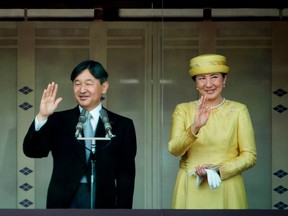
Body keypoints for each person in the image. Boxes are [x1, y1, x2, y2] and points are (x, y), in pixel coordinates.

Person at [23, 60, 137, 209]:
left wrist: (124, 211)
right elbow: (33, 151)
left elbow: (125, 175)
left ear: (104, 87)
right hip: (64, 200)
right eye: (77, 83)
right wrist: (42, 117)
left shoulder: (122, 125)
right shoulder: (58, 120)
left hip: (103, 199)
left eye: (88, 83)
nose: (82, 90)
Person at [168, 53, 257, 209]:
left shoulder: (238, 110)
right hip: (190, 186)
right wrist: (195, 127)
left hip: (227, 186)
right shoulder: (183, 110)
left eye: (214, 77)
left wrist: (218, 170)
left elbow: (249, 156)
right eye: (201, 78)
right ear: (195, 82)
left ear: (224, 80)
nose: (208, 84)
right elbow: (175, 150)